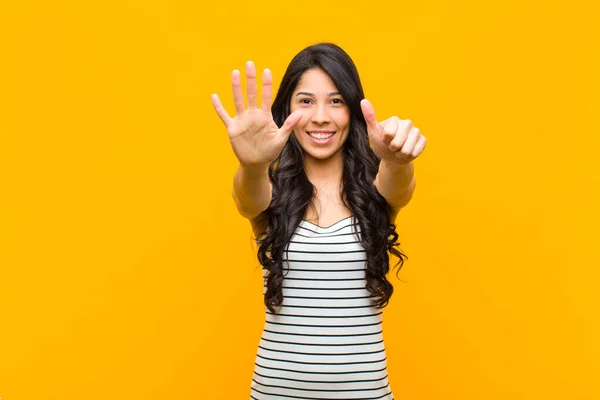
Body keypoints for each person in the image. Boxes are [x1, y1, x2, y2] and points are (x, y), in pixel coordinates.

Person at [211, 42, 426, 399]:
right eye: (306, 101)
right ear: (288, 110)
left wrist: (397, 159)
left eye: (336, 101)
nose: (321, 116)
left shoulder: (375, 190)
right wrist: (251, 164)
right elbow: (247, 197)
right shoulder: (270, 189)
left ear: (353, 110)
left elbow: (399, 185)